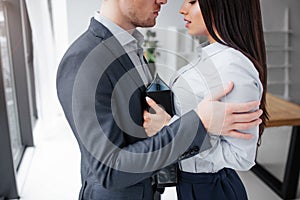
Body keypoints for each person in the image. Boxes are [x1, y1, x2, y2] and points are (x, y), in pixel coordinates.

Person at [56, 0, 263, 199]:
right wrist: (198, 124)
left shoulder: (132, 47)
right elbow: (109, 169)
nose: (164, 1)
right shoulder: (83, 60)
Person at [143, 0, 268, 199]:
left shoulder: (233, 66)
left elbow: (242, 157)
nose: (182, 9)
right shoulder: (207, 54)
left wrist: (170, 127)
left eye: (192, 1)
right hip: (190, 186)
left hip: (211, 189)